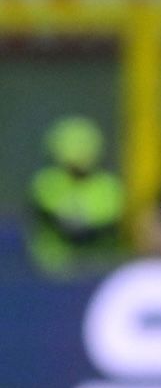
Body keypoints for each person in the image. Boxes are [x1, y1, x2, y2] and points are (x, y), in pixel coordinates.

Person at [28, 116, 125, 276]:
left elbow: (107, 228)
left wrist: (79, 228)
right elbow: (46, 220)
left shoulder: (107, 186)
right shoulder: (47, 182)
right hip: (51, 269)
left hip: (97, 267)